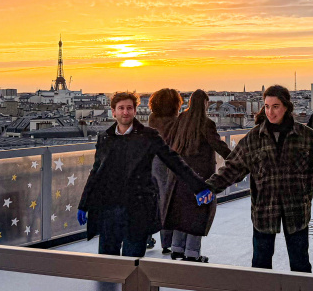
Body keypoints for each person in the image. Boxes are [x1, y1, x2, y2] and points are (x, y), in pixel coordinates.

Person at [205, 85, 313, 273]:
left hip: (296, 208)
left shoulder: (304, 135)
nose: (270, 112)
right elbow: (233, 168)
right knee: (261, 262)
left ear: (286, 107)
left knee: (300, 261)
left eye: (275, 106)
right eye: (266, 106)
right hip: (265, 209)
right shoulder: (254, 138)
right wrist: (210, 187)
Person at [77, 92, 214, 257]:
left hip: (137, 212)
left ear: (135, 111)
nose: (125, 112)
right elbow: (96, 172)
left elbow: (174, 162)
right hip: (110, 211)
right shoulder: (105, 138)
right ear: (113, 112)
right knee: (108, 265)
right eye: (121, 108)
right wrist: (84, 204)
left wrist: (198, 187)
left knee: (133, 266)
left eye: (129, 108)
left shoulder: (148, 136)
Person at [161, 89, 232, 263]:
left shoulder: (181, 120)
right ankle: (192, 253)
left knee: (180, 213)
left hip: (180, 174)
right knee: (197, 214)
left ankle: (177, 249)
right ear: (205, 104)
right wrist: (236, 161)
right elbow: (218, 146)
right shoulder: (206, 123)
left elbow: (170, 143)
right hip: (200, 176)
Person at [147, 88, 184, 252]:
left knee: (156, 199)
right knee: (170, 201)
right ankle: (167, 242)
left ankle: (147, 234)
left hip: (154, 161)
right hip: (172, 161)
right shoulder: (177, 121)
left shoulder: (152, 119)